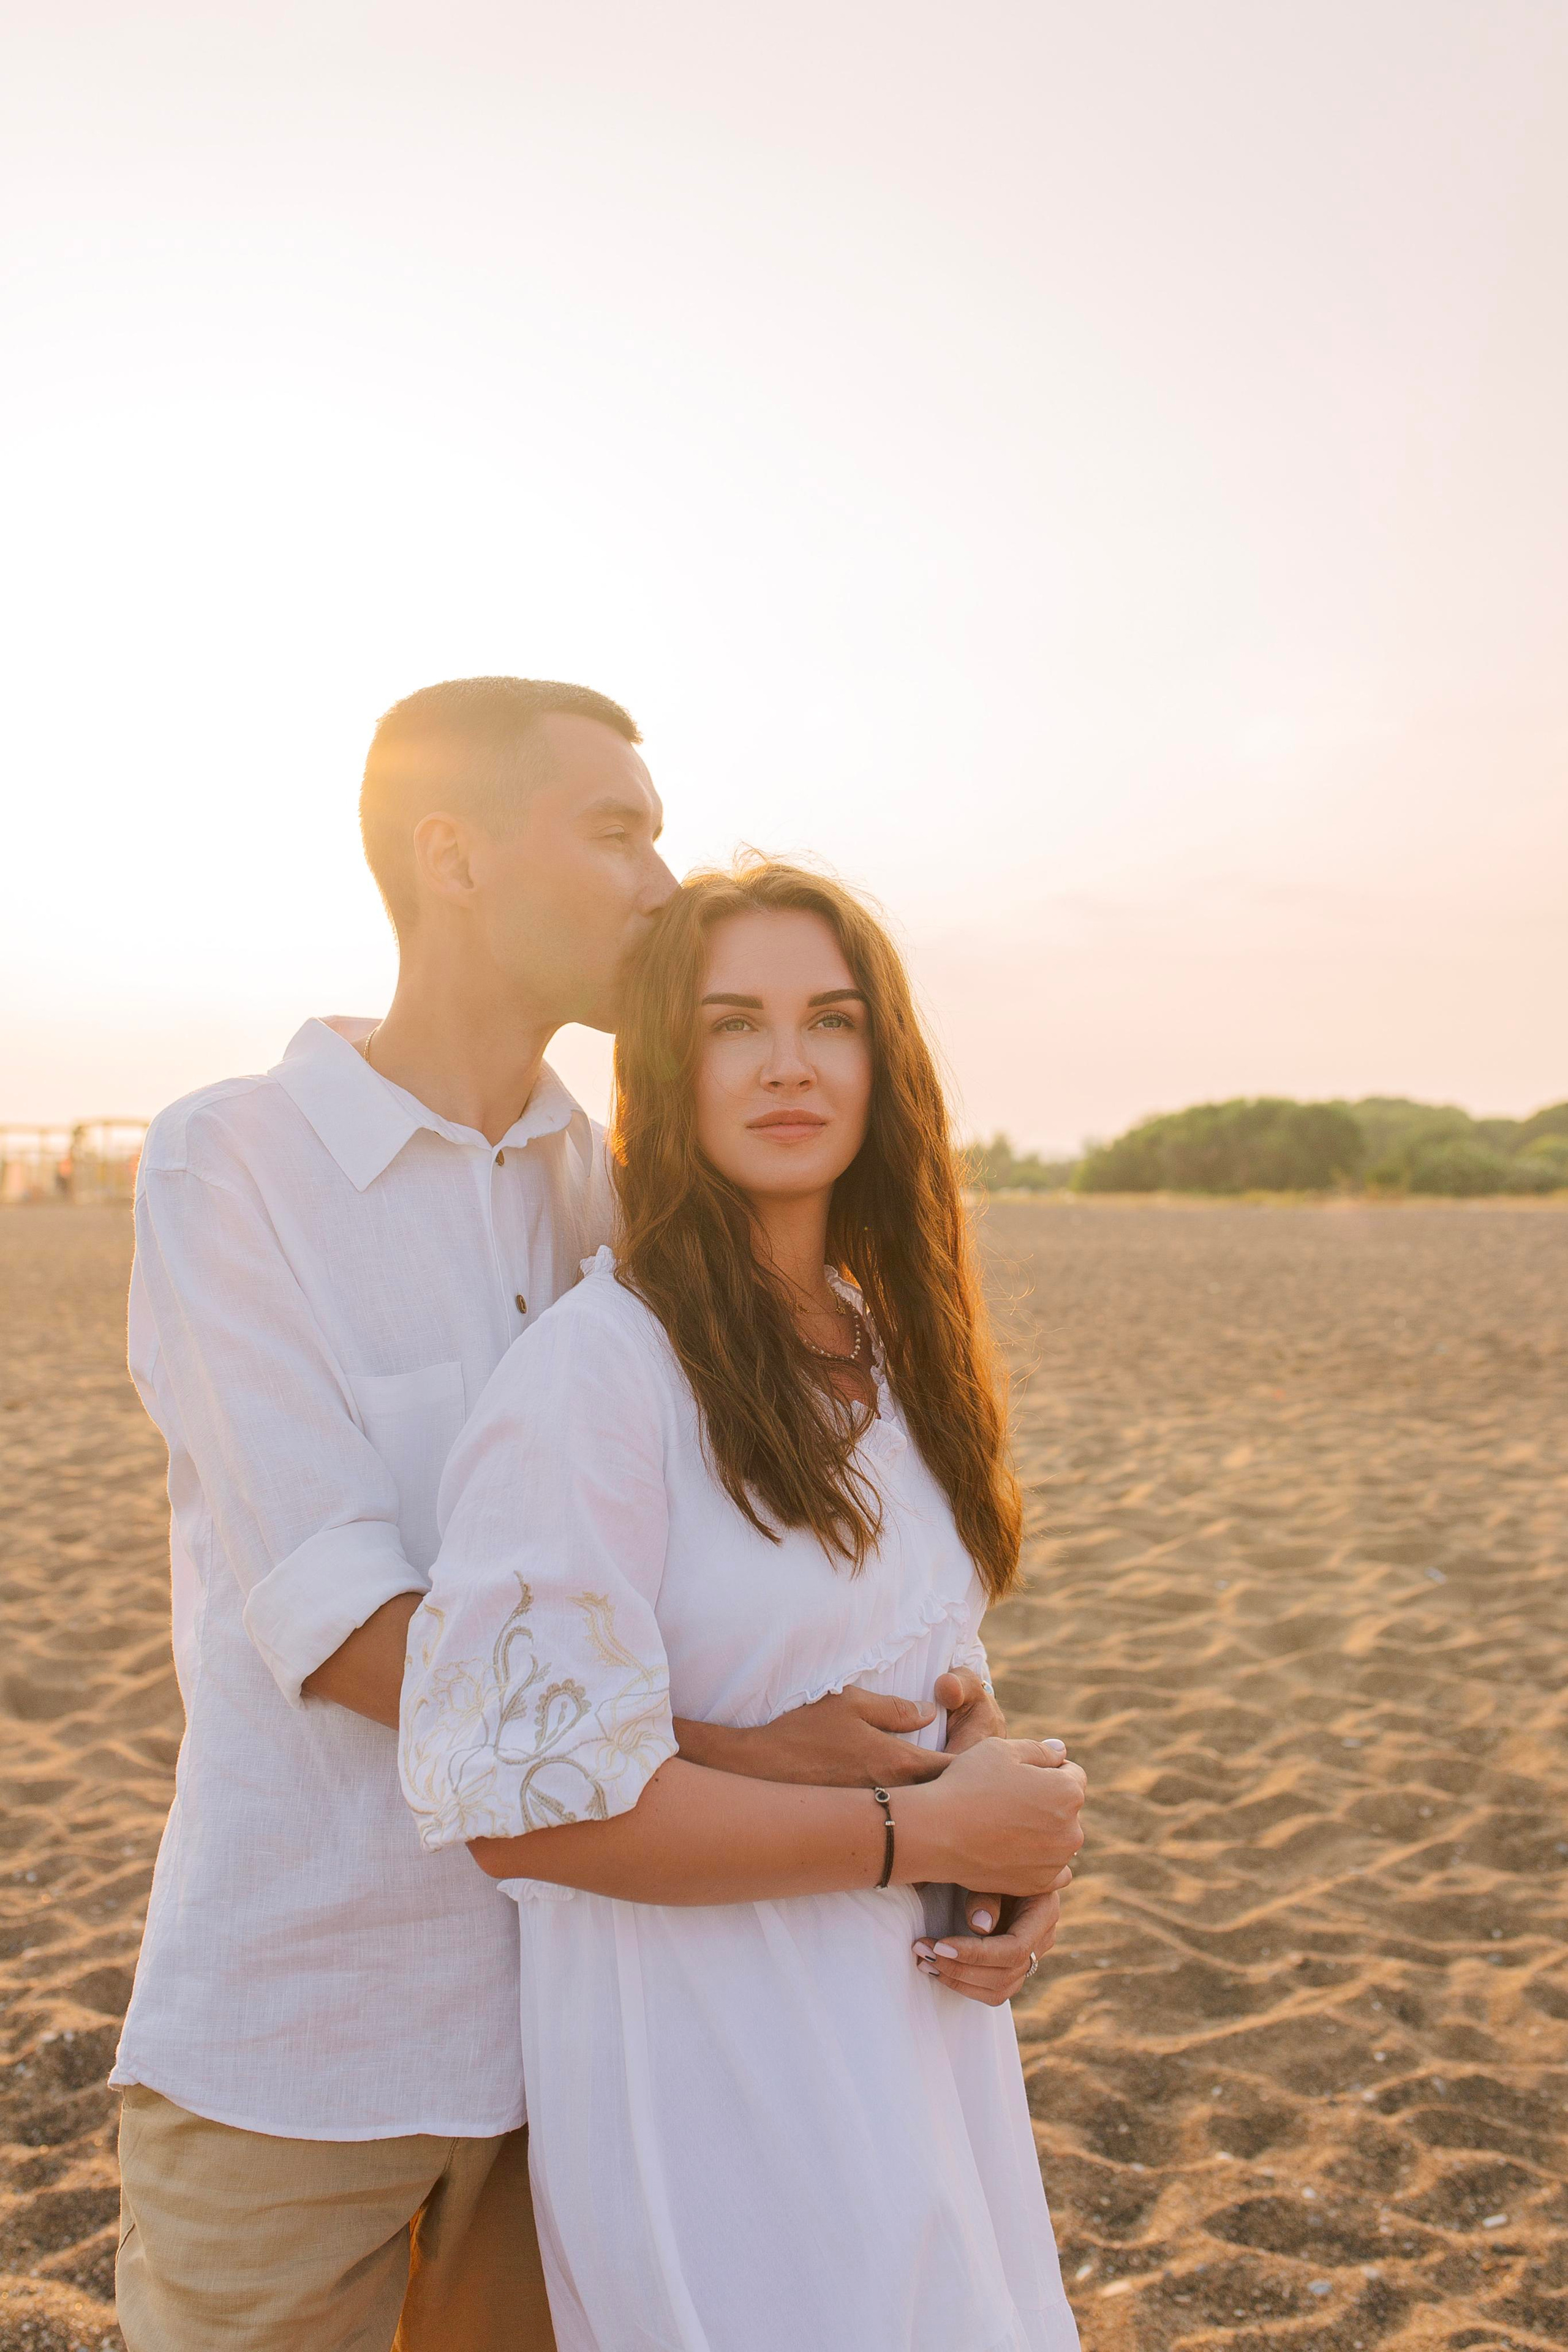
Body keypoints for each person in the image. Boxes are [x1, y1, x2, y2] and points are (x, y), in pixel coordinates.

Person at [115, 679, 1080, 2352]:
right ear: (453, 856)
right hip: (316, 2020)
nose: (658, 881)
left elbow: (750, 1565)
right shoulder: (237, 1163)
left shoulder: (620, 1188)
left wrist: (967, 1777)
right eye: (618, 832)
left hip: (592, 2033)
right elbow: (335, 1616)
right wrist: (757, 1760)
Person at [399, 858, 1087, 2350]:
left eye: (830, 1020)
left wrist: (1007, 1822)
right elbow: (522, 1810)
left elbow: (920, 1663)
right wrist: (922, 1833)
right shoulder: (600, 1370)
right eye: (733, 1025)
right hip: (711, 2071)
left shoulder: (892, 1347)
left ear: (882, 1063)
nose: (787, 1064)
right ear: (668, 1067)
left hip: (913, 2048)